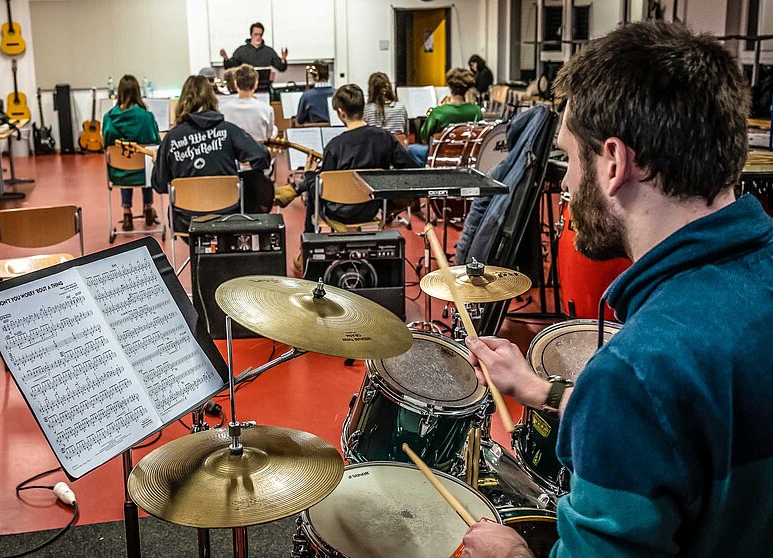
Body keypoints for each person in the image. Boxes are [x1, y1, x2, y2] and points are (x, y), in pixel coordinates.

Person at [461, 21, 773, 557]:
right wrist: (541, 390)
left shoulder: (636, 372)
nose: (564, 183)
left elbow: (654, 397)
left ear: (612, 162)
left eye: (568, 158)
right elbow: (698, 429)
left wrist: (511, 554)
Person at [281, 84, 418, 236]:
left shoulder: (335, 146)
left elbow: (323, 189)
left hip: (338, 213)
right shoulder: (385, 137)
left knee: (316, 184)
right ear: (362, 107)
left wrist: (309, 175)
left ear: (341, 113)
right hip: (371, 207)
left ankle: (306, 243)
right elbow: (409, 167)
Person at [151, 75, 270, 232]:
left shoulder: (171, 137)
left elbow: (160, 185)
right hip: (228, 214)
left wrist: (160, 164)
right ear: (212, 98)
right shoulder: (228, 130)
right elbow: (262, 157)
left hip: (187, 220)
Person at [102, 74, 161, 232]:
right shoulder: (146, 116)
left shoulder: (109, 118)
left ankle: (127, 213)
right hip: (143, 172)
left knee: (123, 160)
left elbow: (105, 143)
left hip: (119, 174)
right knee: (146, 161)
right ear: (137, 92)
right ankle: (148, 207)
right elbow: (155, 142)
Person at [407, 68, 481, 166]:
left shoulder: (439, 112)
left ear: (449, 86)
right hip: (466, 156)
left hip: (440, 157)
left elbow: (424, 136)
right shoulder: (476, 110)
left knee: (411, 149)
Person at [220, 22, 287, 90]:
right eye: (256, 34)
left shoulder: (269, 51)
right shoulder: (241, 51)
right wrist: (225, 58)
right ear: (251, 34)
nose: (258, 37)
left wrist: (283, 59)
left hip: (264, 87)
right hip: (246, 88)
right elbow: (230, 66)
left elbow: (281, 67)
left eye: (260, 35)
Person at [221, 64, 277, 142]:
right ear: (255, 85)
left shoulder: (223, 109)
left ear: (236, 84)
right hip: (259, 152)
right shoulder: (267, 109)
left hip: (234, 153)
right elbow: (269, 136)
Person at [295, 60, 334, 125]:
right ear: (328, 75)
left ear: (314, 76)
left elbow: (300, 120)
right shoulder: (338, 93)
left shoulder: (307, 96)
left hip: (314, 131)